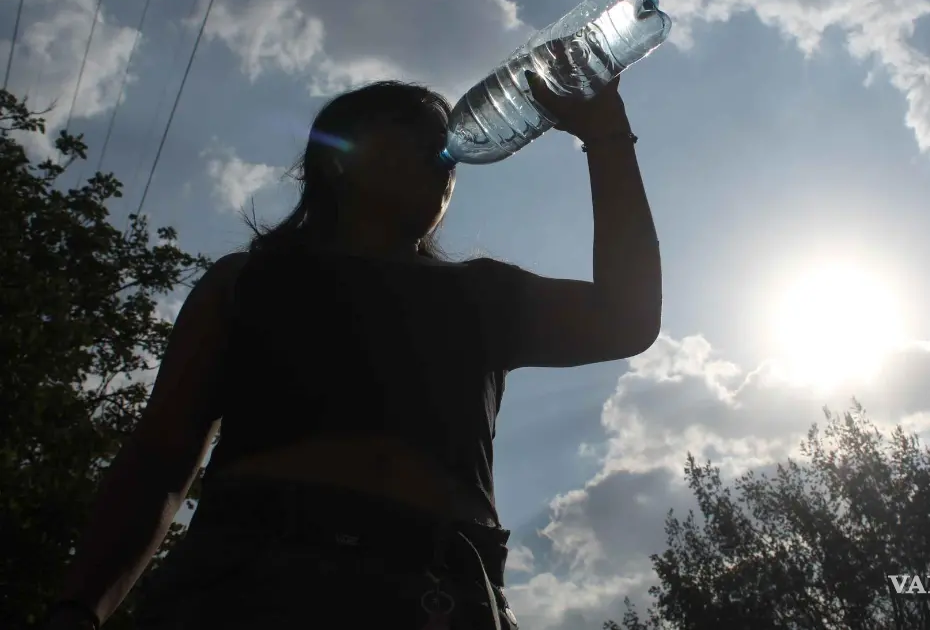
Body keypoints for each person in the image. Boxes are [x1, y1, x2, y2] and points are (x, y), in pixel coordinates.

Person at [43, 70, 661, 630]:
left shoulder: (481, 293)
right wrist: (79, 608)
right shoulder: (249, 281)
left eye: (445, 145)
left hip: (442, 590)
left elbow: (626, 319)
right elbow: (160, 458)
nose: (443, 155)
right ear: (340, 157)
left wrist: (606, 135)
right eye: (415, 133)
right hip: (246, 583)